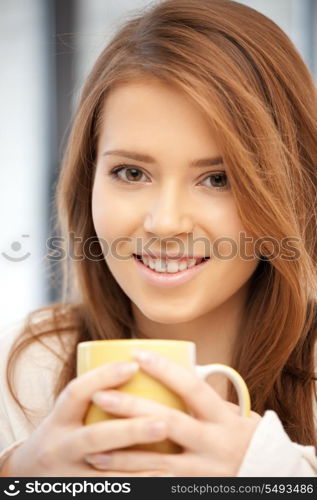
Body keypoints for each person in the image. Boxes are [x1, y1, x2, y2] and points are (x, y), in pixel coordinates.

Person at [0, 0, 316, 477]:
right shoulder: (25, 369)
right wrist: (18, 476)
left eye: (218, 179)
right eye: (131, 172)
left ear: (293, 187)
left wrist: (270, 473)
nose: (166, 223)